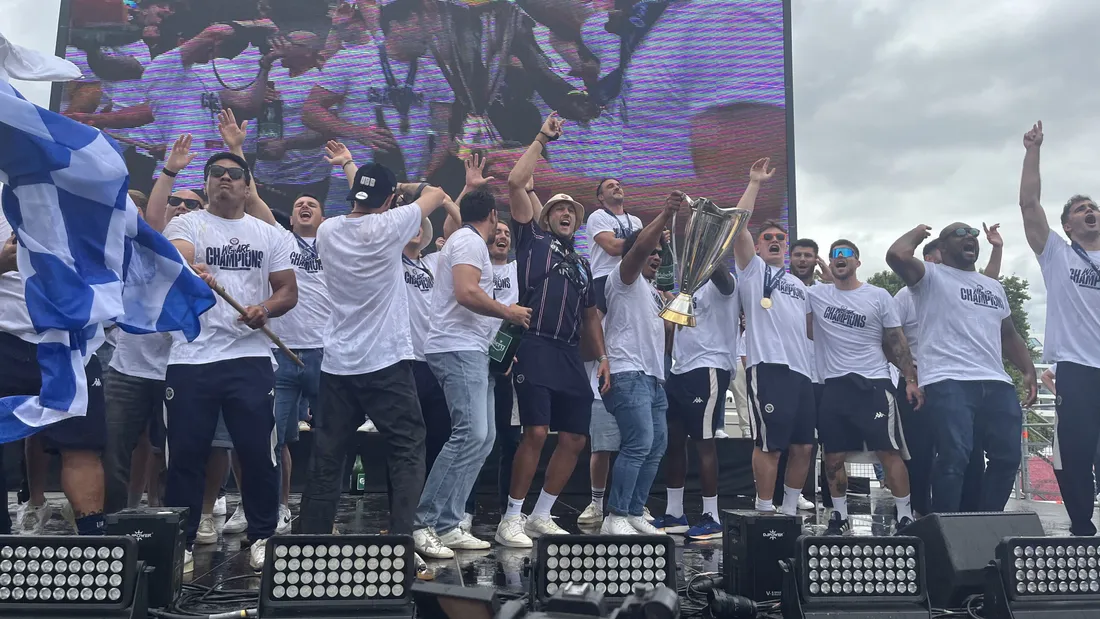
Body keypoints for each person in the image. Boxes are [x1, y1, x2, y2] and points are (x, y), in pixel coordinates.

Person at [298, 155, 446, 569]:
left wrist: (366, 179)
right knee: (408, 448)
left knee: (327, 456)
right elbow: (436, 194)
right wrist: (408, 190)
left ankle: (309, 551)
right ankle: (400, 546)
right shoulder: (392, 225)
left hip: (338, 364)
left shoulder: (328, 230)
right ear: (391, 199)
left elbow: (368, 205)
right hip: (385, 362)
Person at [162, 152, 298, 570]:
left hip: (249, 356)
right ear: (206, 183)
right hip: (192, 356)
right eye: (216, 173)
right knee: (186, 453)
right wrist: (191, 270)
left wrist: (265, 309)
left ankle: (263, 536)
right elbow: (179, 255)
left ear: (247, 184)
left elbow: (287, 290)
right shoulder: (187, 223)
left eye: (234, 174)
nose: (225, 178)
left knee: (257, 453)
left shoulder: (268, 234)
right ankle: (181, 543)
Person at [496, 113, 611, 548]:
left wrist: (603, 358)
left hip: (569, 353)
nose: (566, 213)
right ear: (546, 217)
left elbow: (590, 316)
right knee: (537, 432)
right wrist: (542, 137)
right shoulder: (532, 240)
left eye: (572, 211)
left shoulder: (582, 263)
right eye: (559, 209)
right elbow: (515, 181)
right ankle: (511, 517)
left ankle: (541, 515)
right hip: (535, 343)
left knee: (577, 437)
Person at [413, 187, 531, 558]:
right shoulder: (468, 241)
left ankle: (448, 523)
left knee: (484, 437)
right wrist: (508, 311)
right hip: (457, 347)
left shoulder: (468, 241)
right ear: (493, 216)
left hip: (475, 349)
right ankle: (424, 522)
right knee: (470, 433)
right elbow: (466, 293)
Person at [886, 223, 1036, 514]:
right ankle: (945, 525)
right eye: (959, 233)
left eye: (973, 234)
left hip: (996, 380)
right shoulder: (931, 277)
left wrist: (1027, 369)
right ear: (942, 247)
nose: (969, 237)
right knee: (955, 456)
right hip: (948, 379)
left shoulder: (992, 286)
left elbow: (1008, 334)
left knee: (1007, 457)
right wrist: (918, 232)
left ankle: (986, 520)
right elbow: (897, 255)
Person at [0, 213, 109, 540]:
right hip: (6, 338)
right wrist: (3, 262)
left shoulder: (81, 199)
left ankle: (94, 544)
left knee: (82, 447)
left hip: (71, 345)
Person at [1018, 120, 1100, 535]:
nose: (1090, 211)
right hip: (1078, 369)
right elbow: (1030, 205)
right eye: (1081, 209)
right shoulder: (1057, 255)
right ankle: (1082, 527)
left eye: (1093, 207)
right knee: (1075, 453)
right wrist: (1033, 150)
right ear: (1067, 225)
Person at [808, 240, 922, 534]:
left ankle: (905, 515)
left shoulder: (878, 295)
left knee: (889, 451)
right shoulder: (817, 295)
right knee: (833, 457)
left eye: (846, 254)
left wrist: (910, 379)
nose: (840, 257)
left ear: (857, 262)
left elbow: (896, 340)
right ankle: (839, 516)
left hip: (874, 384)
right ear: (830, 262)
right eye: (835, 254)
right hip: (835, 386)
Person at [893, 230, 1001, 517]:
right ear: (928, 260)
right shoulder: (908, 293)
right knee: (920, 451)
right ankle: (920, 512)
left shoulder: (963, 287)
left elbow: (988, 284)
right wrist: (909, 375)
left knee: (967, 451)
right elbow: (891, 335)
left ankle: (969, 513)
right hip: (919, 381)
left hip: (956, 381)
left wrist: (997, 249)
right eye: (938, 258)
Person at [731, 159, 814, 517]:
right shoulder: (752, 270)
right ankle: (765, 510)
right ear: (758, 246)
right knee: (770, 446)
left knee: (804, 447)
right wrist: (754, 183)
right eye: (769, 238)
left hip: (802, 373)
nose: (776, 241)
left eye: (781, 238)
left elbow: (810, 330)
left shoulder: (800, 284)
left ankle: (790, 512)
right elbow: (737, 226)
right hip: (769, 368)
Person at [601, 194, 684, 535]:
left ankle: (635, 510)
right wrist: (664, 214)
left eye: (660, 254)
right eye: (652, 252)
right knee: (638, 444)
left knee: (656, 446)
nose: (656, 257)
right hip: (628, 372)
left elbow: (664, 335)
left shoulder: (652, 290)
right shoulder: (623, 277)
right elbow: (638, 249)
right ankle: (615, 515)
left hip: (654, 378)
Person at [653, 260, 738, 540]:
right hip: (680, 370)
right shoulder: (686, 293)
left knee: (704, 441)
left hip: (709, 366)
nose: (687, 267)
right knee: (674, 441)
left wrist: (706, 251)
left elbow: (722, 276)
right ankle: (675, 513)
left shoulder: (723, 286)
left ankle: (711, 516)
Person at [268, 193, 331, 534]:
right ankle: (279, 507)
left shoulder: (334, 242)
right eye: (298, 205)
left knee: (330, 439)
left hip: (324, 353)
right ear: (290, 219)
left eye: (313, 204)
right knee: (274, 439)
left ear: (324, 218)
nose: (305, 206)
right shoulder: (279, 239)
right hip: (281, 350)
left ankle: (321, 514)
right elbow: (255, 202)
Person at [777, 237, 828, 512]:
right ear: (791, 257)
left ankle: (799, 493)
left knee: (809, 442)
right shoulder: (780, 286)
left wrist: (830, 279)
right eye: (798, 255)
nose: (803, 260)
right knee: (780, 439)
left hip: (820, 374)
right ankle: (775, 496)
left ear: (816, 259)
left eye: (808, 255)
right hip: (787, 371)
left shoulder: (823, 291)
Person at [586, 178, 644, 313]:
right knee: (604, 323)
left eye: (618, 185)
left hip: (634, 278)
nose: (617, 188)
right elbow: (612, 247)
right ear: (601, 197)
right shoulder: (598, 216)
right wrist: (647, 240)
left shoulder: (636, 221)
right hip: (606, 276)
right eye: (610, 186)